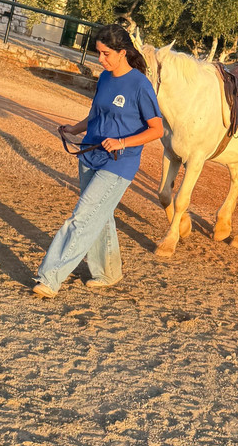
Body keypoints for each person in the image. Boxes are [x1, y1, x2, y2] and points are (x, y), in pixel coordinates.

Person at [32, 24, 164, 298]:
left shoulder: (140, 86)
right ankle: (108, 272)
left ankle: (49, 278)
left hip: (118, 163)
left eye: (105, 54)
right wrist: (73, 130)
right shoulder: (105, 78)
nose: (100, 59)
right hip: (90, 155)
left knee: (81, 218)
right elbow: (96, 115)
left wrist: (122, 142)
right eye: (98, 53)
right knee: (98, 217)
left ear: (122, 52)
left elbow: (157, 129)